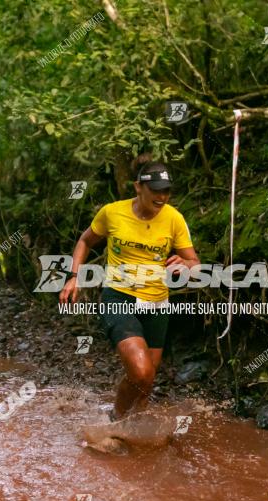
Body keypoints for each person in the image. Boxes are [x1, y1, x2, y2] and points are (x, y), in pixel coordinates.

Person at [59, 154, 200, 421]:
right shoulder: (113, 213)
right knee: (141, 371)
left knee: (145, 382)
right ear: (138, 187)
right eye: (156, 191)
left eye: (167, 191)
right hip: (119, 297)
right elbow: (85, 241)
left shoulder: (174, 219)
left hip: (157, 303)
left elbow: (195, 262)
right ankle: (114, 421)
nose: (162, 197)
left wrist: (186, 264)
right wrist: (73, 276)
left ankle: (132, 432)